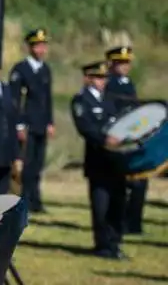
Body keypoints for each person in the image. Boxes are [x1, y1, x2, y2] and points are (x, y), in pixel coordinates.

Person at [72, 61, 127, 260]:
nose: (102, 81)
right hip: (98, 162)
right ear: (88, 78)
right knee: (101, 206)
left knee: (118, 203)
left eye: (104, 78)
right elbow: (85, 127)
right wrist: (105, 139)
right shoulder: (81, 100)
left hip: (116, 161)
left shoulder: (109, 100)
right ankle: (103, 245)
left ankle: (116, 243)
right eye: (98, 77)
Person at [8, 28, 53, 212]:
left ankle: (37, 200)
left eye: (43, 45)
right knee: (26, 165)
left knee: (38, 164)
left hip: (41, 124)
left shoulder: (45, 69)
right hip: (27, 124)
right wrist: (19, 124)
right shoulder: (21, 70)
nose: (41, 50)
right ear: (30, 47)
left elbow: (47, 98)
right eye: (37, 46)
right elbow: (15, 100)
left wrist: (50, 121)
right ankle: (25, 199)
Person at [105, 45, 145, 235]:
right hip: (118, 135)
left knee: (140, 180)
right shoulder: (109, 84)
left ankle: (134, 223)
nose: (125, 66)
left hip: (132, 135)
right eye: (121, 63)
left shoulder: (129, 83)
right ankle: (120, 222)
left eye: (127, 63)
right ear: (112, 64)